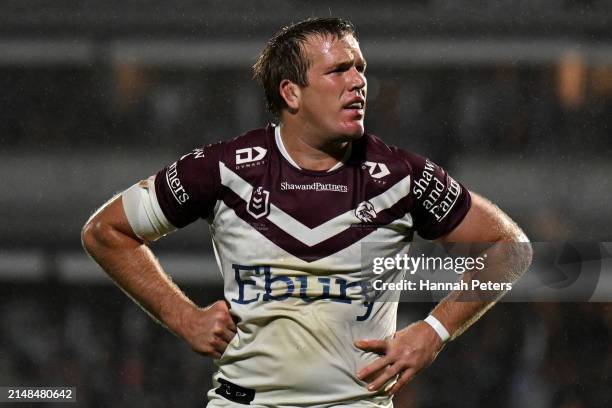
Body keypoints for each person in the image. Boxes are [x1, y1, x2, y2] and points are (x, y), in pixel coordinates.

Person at [82, 17, 532, 407]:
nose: (358, 82)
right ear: (291, 93)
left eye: (361, 69)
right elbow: (106, 232)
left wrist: (434, 330)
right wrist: (182, 317)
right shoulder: (222, 169)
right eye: (338, 70)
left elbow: (509, 247)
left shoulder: (401, 176)